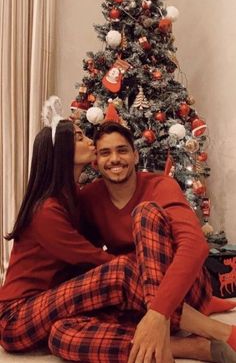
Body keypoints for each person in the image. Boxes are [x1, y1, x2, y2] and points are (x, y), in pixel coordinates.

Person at [49, 121, 236, 363]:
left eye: (122, 150)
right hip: (135, 297)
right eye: (105, 152)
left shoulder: (161, 185)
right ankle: (190, 347)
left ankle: (184, 326)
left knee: (146, 212)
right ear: (96, 161)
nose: (115, 159)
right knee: (60, 333)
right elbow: (84, 256)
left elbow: (195, 245)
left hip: (184, 293)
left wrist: (159, 312)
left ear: (136, 155)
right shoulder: (90, 198)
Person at [0, 101, 147, 354]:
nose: (91, 141)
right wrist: (137, 268)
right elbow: (92, 258)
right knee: (119, 271)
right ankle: (197, 327)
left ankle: (165, 341)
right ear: (62, 152)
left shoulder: (75, 199)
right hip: (17, 316)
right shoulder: (46, 211)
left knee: (68, 333)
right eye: (80, 137)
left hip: (54, 304)